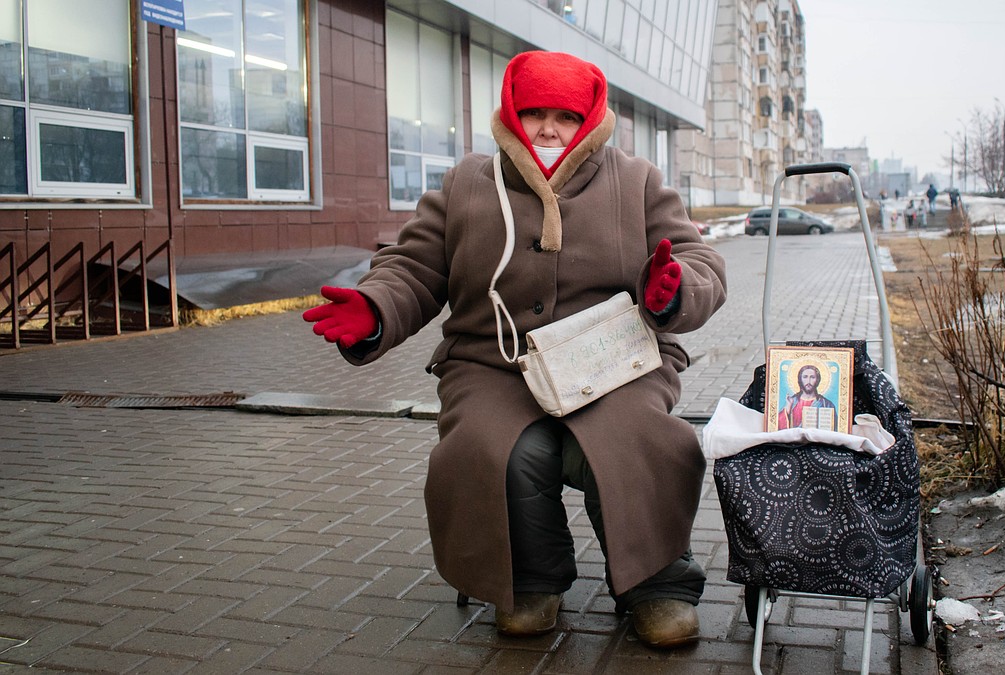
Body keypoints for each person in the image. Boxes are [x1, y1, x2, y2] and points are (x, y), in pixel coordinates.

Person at [302, 51, 727, 649]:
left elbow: (702, 261)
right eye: (533, 114)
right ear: (509, 113)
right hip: (493, 365)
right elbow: (414, 267)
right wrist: (376, 309)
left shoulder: (637, 181)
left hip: (613, 362)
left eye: (564, 115)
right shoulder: (464, 183)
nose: (548, 128)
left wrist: (674, 287)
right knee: (498, 447)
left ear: (590, 120)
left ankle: (657, 584)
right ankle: (529, 581)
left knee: (642, 438)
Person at [776, 364, 837, 430]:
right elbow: (778, 428)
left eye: (812, 377)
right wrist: (788, 409)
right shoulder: (792, 402)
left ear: (817, 380)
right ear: (800, 379)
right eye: (805, 377)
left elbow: (834, 430)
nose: (808, 381)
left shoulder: (826, 404)